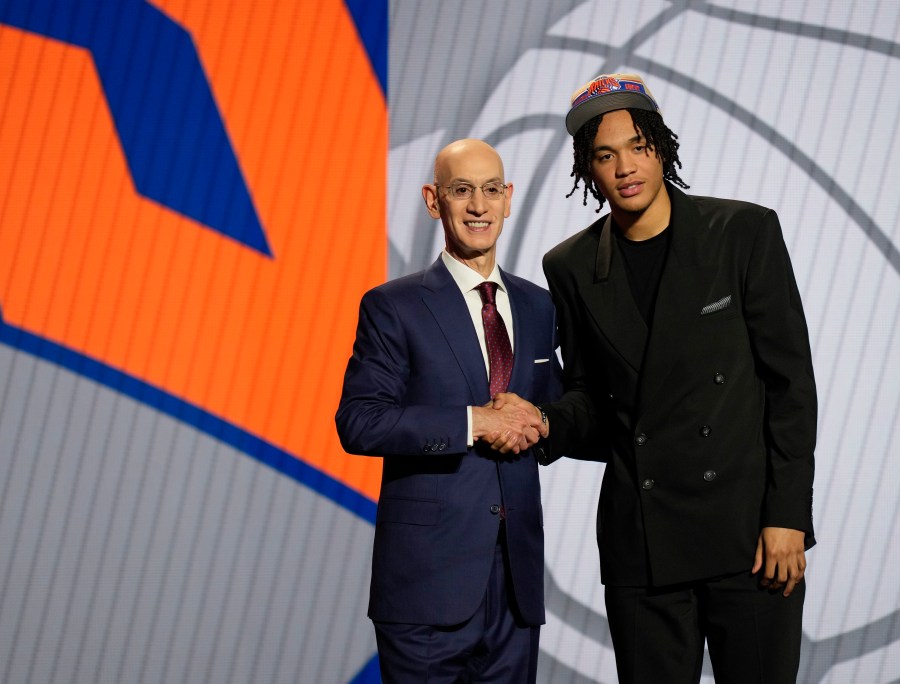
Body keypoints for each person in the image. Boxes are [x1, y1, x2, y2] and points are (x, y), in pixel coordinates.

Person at [495, 73, 817, 683]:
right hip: (642, 547)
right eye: (605, 154)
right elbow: (593, 398)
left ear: (662, 149)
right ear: (587, 169)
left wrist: (788, 517)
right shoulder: (568, 266)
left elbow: (790, 388)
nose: (625, 167)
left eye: (638, 146)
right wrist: (543, 423)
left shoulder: (742, 233)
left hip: (749, 537)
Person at [336, 139, 560, 682]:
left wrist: (542, 422)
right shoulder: (393, 305)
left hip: (516, 591)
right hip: (425, 591)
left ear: (509, 199)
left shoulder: (538, 304)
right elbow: (360, 421)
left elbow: (555, 409)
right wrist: (475, 422)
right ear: (434, 202)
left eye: (490, 191)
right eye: (462, 191)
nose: (478, 206)